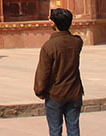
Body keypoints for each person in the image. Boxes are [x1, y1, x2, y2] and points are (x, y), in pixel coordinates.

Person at [34, 8, 84, 136]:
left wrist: (39, 90)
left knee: (55, 130)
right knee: (73, 128)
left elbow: (43, 72)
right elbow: (76, 37)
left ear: (54, 24)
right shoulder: (77, 42)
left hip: (55, 94)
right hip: (74, 92)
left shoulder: (49, 46)